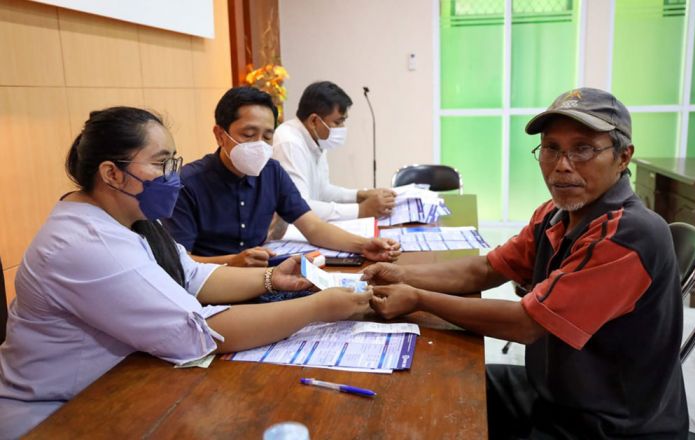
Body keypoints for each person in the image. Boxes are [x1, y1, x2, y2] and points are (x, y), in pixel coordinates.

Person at [0, 107, 371, 438]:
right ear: (112, 173)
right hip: (57, 414)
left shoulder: (131, 218)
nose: (173, 176)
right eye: (161, 163)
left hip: (124, 386)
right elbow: (199, 330)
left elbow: (192, 276)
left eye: (173, 161)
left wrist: (273, 279)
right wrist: (317, 308)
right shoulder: (85, 244)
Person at [363, 88, 688, 438]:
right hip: (556, 394)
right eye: (551, 148)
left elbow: (526, 324)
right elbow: (487, 268)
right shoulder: (555, 213)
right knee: (437, 384)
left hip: (609, 424)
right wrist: (403, 273)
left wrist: (417, 298)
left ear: (623, 158)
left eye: (583, 149)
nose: (562, 165)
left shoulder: (628, 234)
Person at [163, 87, 400, 267]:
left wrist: (363, 245)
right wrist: (232, 262)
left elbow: (313, 227)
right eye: (248, 134)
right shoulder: (187, 183)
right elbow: (179, 262)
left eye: (267, 136)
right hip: (211, 287)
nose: (259, 145)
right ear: (220, 135)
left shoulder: (271, 171)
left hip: (264, 277)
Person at [272, 81, 396, 221]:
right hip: (287, 233)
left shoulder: (316, 138)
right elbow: (300, 206)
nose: (342, 128)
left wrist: (361, 195)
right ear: (314, 121)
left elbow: (323, 191)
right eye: (337, 122)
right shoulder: (289, 142)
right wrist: (361, 210)